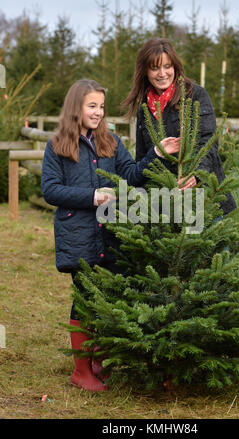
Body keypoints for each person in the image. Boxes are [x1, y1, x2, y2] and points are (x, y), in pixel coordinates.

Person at [41, 78, 180, 392]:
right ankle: (81, 370)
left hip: (111, 234)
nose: (98, 112)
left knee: (108, 296)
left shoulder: (112, 142)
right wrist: (92, 197)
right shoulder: (58, 145)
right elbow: (50, 190)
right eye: (92, 106)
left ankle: (100, 361)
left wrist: (157, 152)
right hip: (78, 234)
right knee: (85, 299)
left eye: (101, 107)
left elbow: (131, 175)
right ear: (76, 106)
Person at [122, 37, 236, 214]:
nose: (162, 73)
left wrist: (196, 175)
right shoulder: (144, 106)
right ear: (145, 71)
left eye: (167, 66)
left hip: (205, 201)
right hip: (163, 206)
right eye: (155, 68)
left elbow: (208, 143)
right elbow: (142, 156)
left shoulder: (196, 95)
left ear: (175, 66)